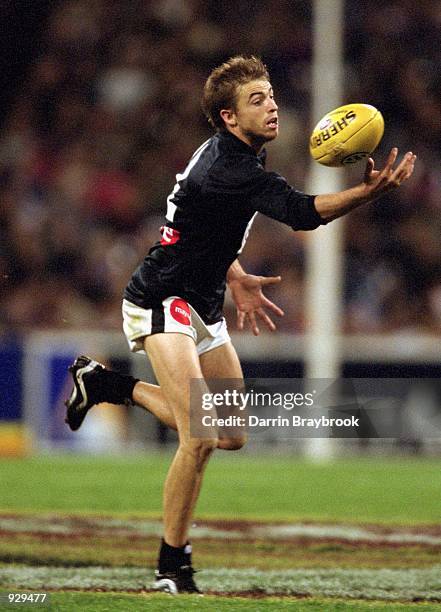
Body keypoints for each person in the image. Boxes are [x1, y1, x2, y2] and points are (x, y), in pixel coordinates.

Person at [65, 56, 416, 594]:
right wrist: (367, 194)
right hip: (162, 298)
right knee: (199, 435)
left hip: (202, 300)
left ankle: (108, 384)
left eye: (271, 94)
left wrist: (234, 276)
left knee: (230, 432)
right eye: (257, 100)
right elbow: (302, 213)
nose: (272, 104)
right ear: (229, 118)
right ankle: (171, 568)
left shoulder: (236, 156)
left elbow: (203, 223)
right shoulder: (232, 167)